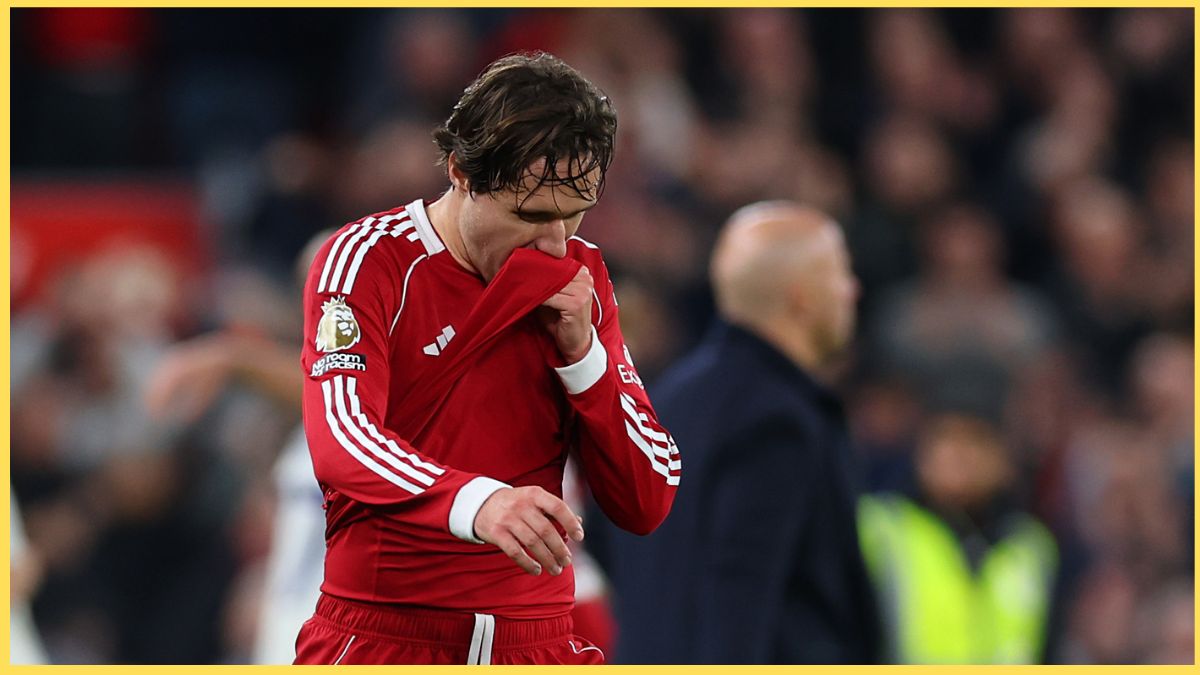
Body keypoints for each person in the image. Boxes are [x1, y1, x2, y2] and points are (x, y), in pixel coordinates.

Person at [292, 51, 679, 665]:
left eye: (574, 216)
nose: (555, 244)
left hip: (541, 641)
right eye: (530, 217)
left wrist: (585, 362)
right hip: (386, 637)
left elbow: (647, 497)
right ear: (461, 173)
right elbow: (342, 436)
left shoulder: (581, 278)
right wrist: (479, 502)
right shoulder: (368, 261)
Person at [602, 201, 881, 663]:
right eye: (839, 273)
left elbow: (616, 553)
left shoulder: (664, 401)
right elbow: (739, 594)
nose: (853, 290)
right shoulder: (779, 419)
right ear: (802, 297)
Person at [857, 410, 1059, 664]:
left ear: (1005, 458)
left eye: (977, 439)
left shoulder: (1032, 545)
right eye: (946, 437)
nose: (959, 454)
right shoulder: (879, 530)